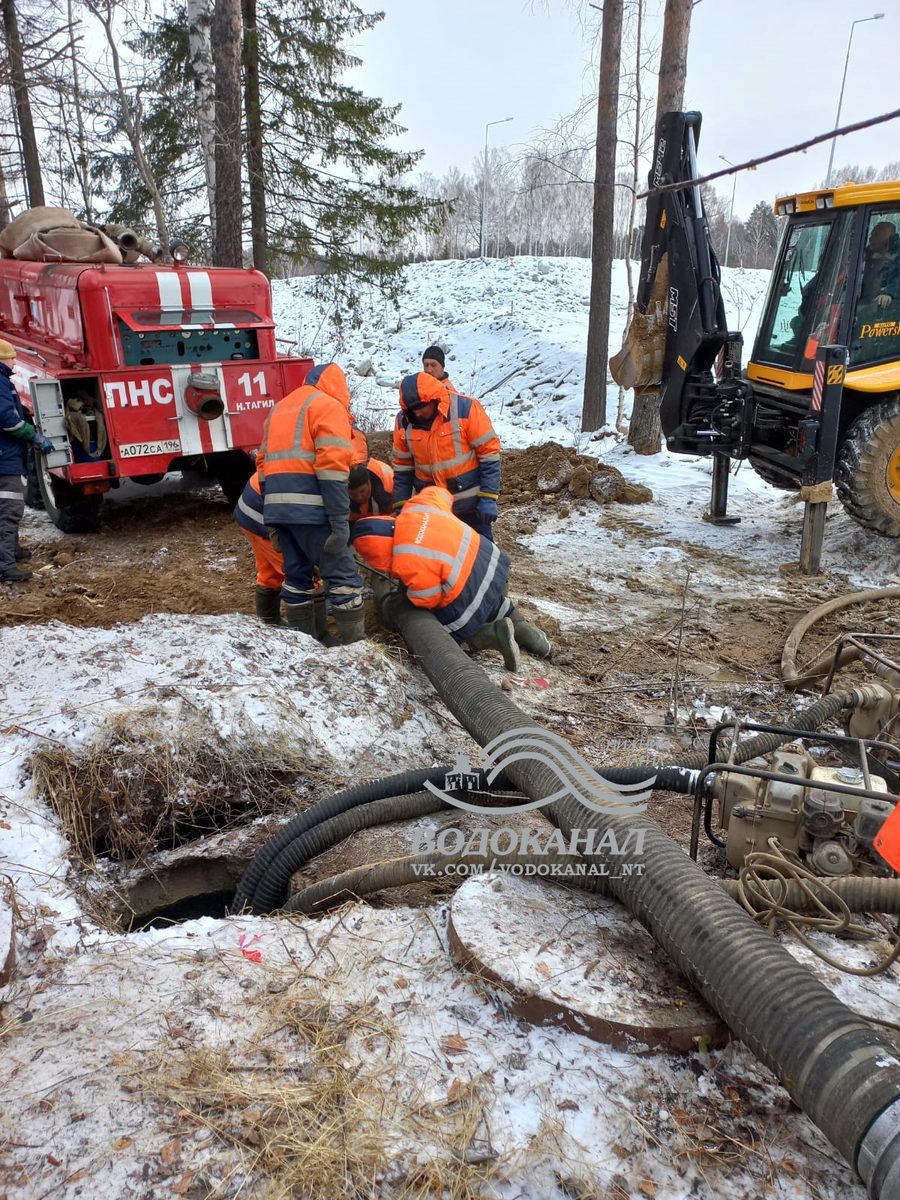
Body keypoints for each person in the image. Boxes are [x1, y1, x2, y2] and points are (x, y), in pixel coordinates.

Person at [351, 485, 550, 669]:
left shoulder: (407, 559)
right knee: (491, 601)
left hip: (470, 591)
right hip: (492, 564)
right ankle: (529, 634)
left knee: (440, 629)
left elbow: (429, 598)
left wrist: (407, 594)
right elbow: (440, 493)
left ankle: (491, 635)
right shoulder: (416, 507)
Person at [258, 362, 365, 644]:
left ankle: (305, 649)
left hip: (279, 511)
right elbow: (332, 468)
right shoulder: (328, 406)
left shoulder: (279, 408)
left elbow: (262, 465)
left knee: (297, 578)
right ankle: (358, 654)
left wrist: (272, 519)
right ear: (340, 388)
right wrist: (340, 521)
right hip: (314, 511)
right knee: (344, 580)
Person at [232, 470, 338, 645]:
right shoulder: (317, 489)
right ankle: (315, 638)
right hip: (264, 512)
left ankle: (269, 623)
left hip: (251, 505)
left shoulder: (314, 476)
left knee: (270, 573)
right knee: (304, 577)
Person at [392, 372, 501, 541]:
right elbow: (403, 467)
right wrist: (401, 505)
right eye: (413, 409)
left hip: (471, 505)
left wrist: (488, 497)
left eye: (421, 407)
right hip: (433, 507)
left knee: (480, 553)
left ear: (434, 399)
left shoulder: (466, 408)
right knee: (442, 557)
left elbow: (489, 454)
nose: (418, 413)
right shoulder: (404, 421)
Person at [0, 338, 53, 583]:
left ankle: (11, 552)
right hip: (4, 460)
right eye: (11, 358)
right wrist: (34, 437)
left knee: (8, 508)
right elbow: (9, 421)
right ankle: (5, 566)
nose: (14, 363)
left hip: (6, 457)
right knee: (9, 510)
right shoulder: (0, 383)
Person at [348, 458, 394, 523]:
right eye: (353, 494)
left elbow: (398, 515)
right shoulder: (337, 493)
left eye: (362, 491)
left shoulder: (390, 485)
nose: (359, 497)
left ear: (368, 482)